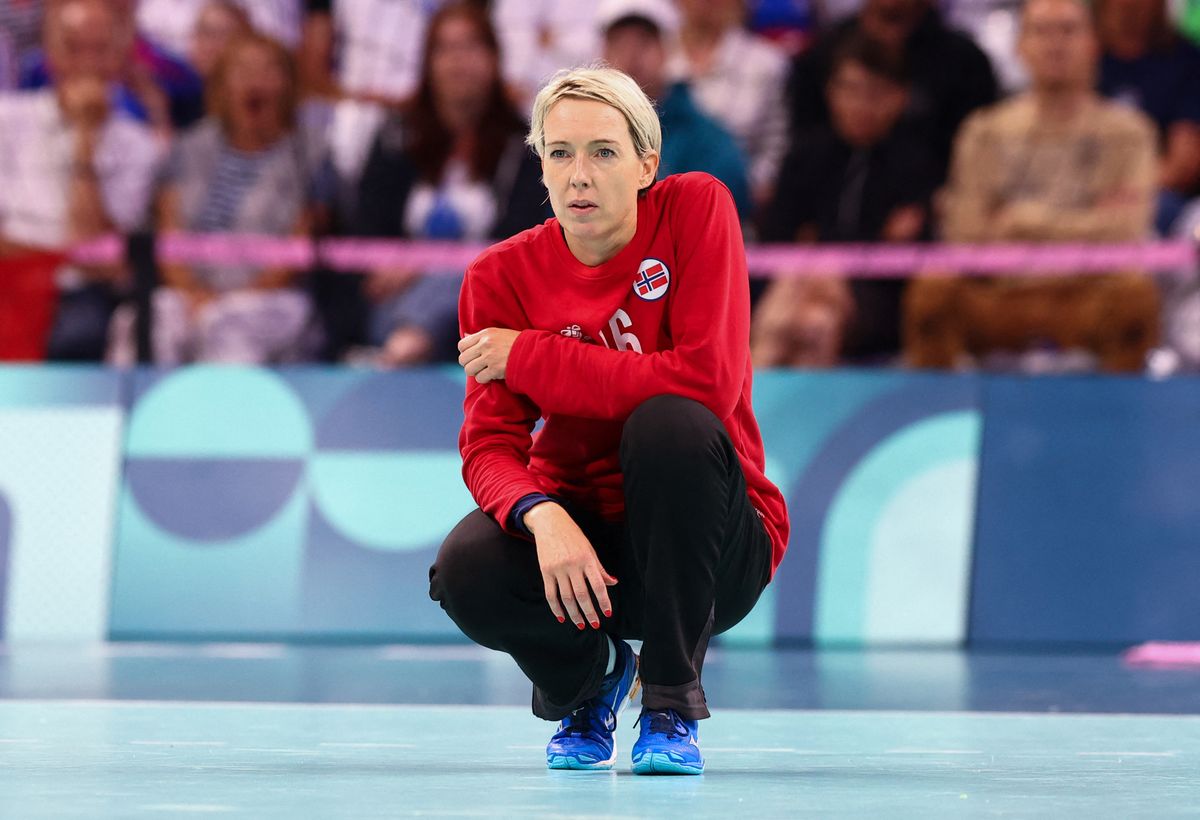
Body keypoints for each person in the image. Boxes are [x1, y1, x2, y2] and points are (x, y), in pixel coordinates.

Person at [430, 67, 789, 775]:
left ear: (647, 162)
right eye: (559, 154)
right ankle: (589, 679)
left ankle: (669, 703)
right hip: (585, 552)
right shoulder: (499, 277)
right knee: (464, 569)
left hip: (715, 547)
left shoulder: (696, 209)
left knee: (669, 425)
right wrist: (539, 513)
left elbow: (707, 384)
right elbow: (489, 448)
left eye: (602, 151)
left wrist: (530, 357)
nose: (578, 176)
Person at [905, 0, 1160, 373]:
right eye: (1041, 31)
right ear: (1019, 46)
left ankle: (1122, 421)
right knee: (933, 291)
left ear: (1094, 43)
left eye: (1068, 30)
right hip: (999, 294)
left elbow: (1127, 230)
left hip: (1087, 293)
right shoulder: (984, 131)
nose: (1055, 44)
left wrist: (1024, 219)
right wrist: (1087, 222)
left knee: (1135, 295)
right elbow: (966, 231)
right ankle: (938, 418)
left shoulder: (1130, 132)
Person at [350, 2, 549, 367]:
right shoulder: (396, 137)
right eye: (444, 48)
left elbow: (524, 241)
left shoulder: (524, 144)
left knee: (467, 276)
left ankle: (411, 342)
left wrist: (422, 263)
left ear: (494, 58)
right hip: (397, 300)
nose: (459, 61)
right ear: (427, 63)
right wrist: (392, 266)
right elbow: (367, 226)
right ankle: (410, 339)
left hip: (490, 309)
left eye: (471, 46)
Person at [108, 33, 320, 365]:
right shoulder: (188, 148)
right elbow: (169, 231)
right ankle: (141, 414)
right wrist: (194, 294)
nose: (255, 81)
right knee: (143, 321)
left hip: (271, 297)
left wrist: (229, 298)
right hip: (189, 289)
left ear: (289, 84)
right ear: (221, 85)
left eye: (268, 70)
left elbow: (300, 247)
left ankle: (224, 418)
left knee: (225, 326)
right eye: (243, 70)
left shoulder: (310, 155)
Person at [753, 33, 939, 367]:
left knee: (806, 320)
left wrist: (828, 260)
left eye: (874, 93)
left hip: (877, 301)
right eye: (849, 90)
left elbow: (913, 252)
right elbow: (778, 233)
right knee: (808, 321)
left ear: (899, 97)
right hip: (799, 285)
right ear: (830, 92)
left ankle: (743, 413)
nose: (860, 104)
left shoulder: (916, 162)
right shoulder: (807, 155)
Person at [0, 0, 161, 361]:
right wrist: (57, 258)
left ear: (121, 56)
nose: (87, 64)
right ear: (49, 54)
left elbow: (100, 252)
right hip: (9, 280)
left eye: (100, 50)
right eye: (73, 49)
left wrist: (85, 140)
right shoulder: (6, 122)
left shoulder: (139, 146)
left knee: (79, 336)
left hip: (83, 293)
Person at [787, 0, 998, 181]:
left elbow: (975, 160)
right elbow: (802, 148)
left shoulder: (965, 63)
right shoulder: (822, 55)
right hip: (828, 203)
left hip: (930, 203)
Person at [599, 0, 751, 216]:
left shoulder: (702, 134)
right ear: (603, 52)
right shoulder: (584, 132)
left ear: (665, 50)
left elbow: (728, 198)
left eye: (643, 43)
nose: (631, 56)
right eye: (619, 44)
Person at [668, 0, 790, 205]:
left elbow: (776, 148)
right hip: (660, 208)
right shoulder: (653, 59)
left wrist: (740, 190)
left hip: (738, 207)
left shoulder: (768, 64)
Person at [1095, 0, 1200, 233]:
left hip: (1159, 196)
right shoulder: (1085, 58)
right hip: (1080, 189)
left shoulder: (1186, 62)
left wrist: (1122, 193)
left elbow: (1182, 166)